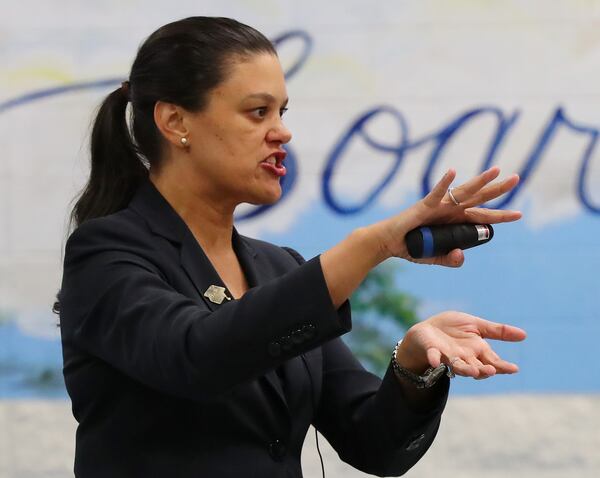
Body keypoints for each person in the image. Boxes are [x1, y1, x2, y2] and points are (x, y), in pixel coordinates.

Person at [56, 16, 526, 478]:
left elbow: (377, 445)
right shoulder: (105, 253)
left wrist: (413, 365)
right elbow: (197, 357)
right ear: (175, 120)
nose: (282, 132)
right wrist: (373, 244)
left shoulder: (278, 266)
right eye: (257, 112)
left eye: (282, 112)